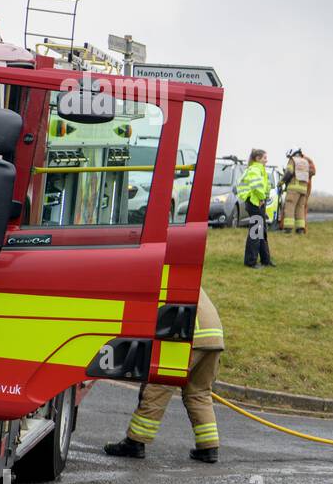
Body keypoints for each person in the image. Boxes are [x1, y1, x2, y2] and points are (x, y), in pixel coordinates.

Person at [104, 288, 226, 463]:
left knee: (158, 387)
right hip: (213, 339)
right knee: (199, 393)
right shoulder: (181, 278)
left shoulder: (157, 278)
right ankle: (209, 447)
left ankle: (135, 442)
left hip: (187, 337)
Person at [237, 149, 275, 268]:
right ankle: (250, 262)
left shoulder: (260, 169)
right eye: (264, 158)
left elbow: (266, 186)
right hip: (255, 203)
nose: (266, 160)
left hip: (259, 202)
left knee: (261, 232)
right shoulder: (254, 169)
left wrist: (264, 198)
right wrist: (262, 198)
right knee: (256, 232)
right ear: (257, 159)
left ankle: (265, 260)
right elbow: (256, 187)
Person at [280, 147, 316, 234]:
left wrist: (281, 182)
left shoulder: (293, 160)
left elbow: (289, 172)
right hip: (304, 189)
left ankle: (288, 229)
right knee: (300, 208)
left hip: (293, 188)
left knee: (290, 207)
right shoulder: (305, 161)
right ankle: (300, 229)